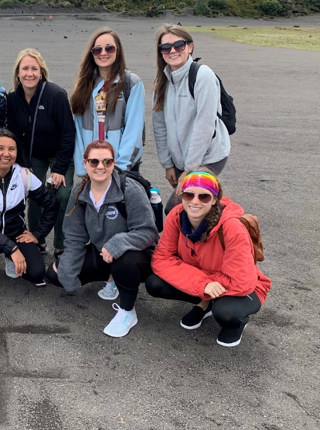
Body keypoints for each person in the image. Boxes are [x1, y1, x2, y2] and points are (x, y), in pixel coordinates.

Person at [145, 170, 271, 347]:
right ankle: (204, 302)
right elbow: (161, 259)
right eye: (189, 195)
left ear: (214, 200)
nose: (195, 201)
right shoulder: (176, 216)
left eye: (204, 196)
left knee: (227, 313)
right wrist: (203, 284)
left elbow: (241, 282)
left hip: (245, 287)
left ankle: (236, 323)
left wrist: (203, 282)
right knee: (154, 283)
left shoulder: (232, 227)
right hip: (207, 280)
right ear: (182, 195)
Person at [48, 140, 158, 338]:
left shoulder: (129, 189)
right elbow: (74, 237)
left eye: (107, 161)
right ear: (85, 163)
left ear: (113, 163)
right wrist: (68, 274)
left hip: (137, 255)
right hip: (103, 251)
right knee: (56, 274)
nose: (101, 167)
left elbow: (148, 232)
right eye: (94, 162)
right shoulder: (79, 191)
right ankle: (112, 278)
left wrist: (117, 244)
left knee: (123, 262)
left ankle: (127, 311)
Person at [151, 24, 230, 214]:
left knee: (174, 209)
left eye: (179, 45)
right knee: (194, 207)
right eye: (166, 47)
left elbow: (204, 126)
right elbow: (159, 127)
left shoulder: (203, 76)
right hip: (180, 161)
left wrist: (189, 170)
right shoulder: (162, 83)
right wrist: (168, 164)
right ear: (161, 52)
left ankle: (228, 230)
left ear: (190, 46)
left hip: (208, 156)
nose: (172, 51)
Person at [0, 129, 58, 289]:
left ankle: (9, 258)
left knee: (37, 273)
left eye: (12, 149)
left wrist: (38, 235)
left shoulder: (23, 175)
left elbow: (52, 203)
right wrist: (13, 249)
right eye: (0, 148)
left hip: (16, 234)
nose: (6, 153)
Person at [7, 48, 74, 259]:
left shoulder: (56, 94)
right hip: (33, 154)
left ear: (41, 72)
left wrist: (60, 169)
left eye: (34, 69)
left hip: (59, 154)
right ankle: (37, 238)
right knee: (34, 193)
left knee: (62, 195)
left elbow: (68, 133)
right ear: (18, 73)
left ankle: (61, 244)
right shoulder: (13, 99)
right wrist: (24, 164)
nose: (29, 73)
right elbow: (16, 134)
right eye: (24, 68)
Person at [70, 27, 145, 174]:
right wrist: (82, 167)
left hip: (120, 169)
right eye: (98, 50)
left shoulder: (132, 84)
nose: (103, 53)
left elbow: (134, 131)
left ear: (118, 50)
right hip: (92, 168)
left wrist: (119, 168)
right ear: (92, 54)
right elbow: (78, 130)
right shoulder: (84, 85)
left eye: (109, 48)